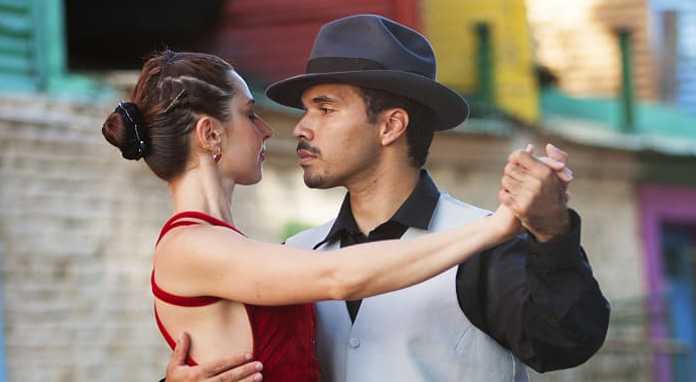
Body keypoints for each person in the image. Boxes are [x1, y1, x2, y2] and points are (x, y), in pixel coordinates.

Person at [164, 14, 610, 382]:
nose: (300, 127)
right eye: (305, 110)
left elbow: (567, 340)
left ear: (390, 126)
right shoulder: (297, 255)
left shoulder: (481, 246)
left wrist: (553, 231)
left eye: (324, 107)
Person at [102, 49, 540, 382]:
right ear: (210, 133)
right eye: (250, 114)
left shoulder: (227, 244)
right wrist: (494, 227)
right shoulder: (191, 246)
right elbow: (338, 277)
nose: (269, 130)